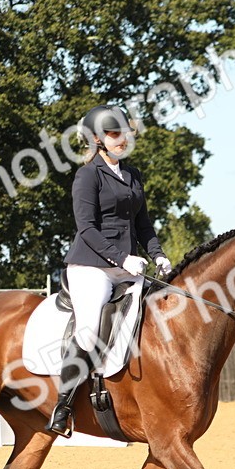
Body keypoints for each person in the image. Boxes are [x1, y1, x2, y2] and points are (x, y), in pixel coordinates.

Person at [46, 104, 172, 436]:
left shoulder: (133, 175)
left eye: (125, 133)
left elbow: (143, 224)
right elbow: (86, 228)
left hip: (128, 265)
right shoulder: (87, 175)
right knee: (89, 330)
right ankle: (64, 405)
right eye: (115, 134)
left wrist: (158, 254)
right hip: (91, 266)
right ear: (98, 140)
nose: (122, 139)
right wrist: (121, 258)